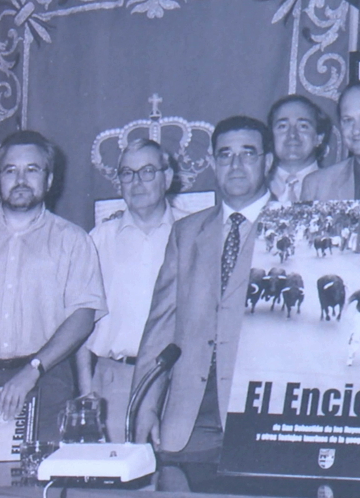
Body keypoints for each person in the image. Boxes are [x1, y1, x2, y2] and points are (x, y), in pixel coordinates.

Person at [132, 116, 274, 472]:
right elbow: (160, 329)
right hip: (191, 419)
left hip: (266, 415)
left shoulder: (296, 226)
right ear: (212, 162)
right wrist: (146, 407)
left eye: (248, 154)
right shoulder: (187, 232)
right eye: (225, 155)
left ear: (268, 161)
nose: (236, 165)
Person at [0, 130, 106, 441]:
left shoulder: (73, 241)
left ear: (49, 180)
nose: (20, 179)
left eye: (32, 169)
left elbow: (83, 316)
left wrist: (32, 370)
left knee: (41, 468)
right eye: (10, 170)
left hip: (45, 378)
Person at [76, 139, 184, 443]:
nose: (137, 182)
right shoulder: (98, 239)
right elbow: (81, 322)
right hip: (114, 384)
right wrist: (87, 391)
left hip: (179, 383)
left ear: (167, 177)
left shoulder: (191, 233)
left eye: (147, 171)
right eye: (127, 173)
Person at [266, 95, 331, 203]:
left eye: (303, 126)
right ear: (271, 136)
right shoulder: (256, 188)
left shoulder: (337, 186)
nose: (292, 134)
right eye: (282, 126)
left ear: (319, 138)